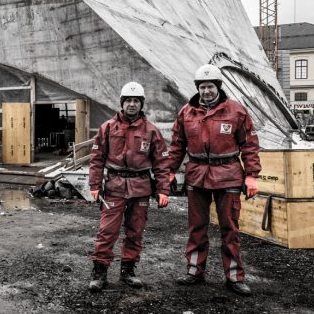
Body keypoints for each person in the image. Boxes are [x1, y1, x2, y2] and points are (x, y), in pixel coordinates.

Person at [165, 64, 261, 296]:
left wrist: (251, 175)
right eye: (202, 87)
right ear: (198, 88)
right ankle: (194, 271)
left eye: (210, 86)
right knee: (196, 227)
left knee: (230, 228)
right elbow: (177, 145)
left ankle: (234, 277)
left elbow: (249, 144)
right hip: (197, 175)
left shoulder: (236, 111)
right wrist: (169, 171)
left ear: (218, 86)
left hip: (227, 175)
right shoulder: (187, 113)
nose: (206, 91)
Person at [86, 81, 170, 292]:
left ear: (141, 104)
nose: (132, 105)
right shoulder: (107, 128)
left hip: (141, 186)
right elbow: (96, 158)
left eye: (136, 101)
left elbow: (161, 163)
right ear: (122, 103)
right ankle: (99, 272)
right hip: (114, 185)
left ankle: (128, 271)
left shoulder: (152, 131)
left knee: (135, 231)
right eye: (128, 101)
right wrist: (95, 185)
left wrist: (163, 190)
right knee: (107, 231)